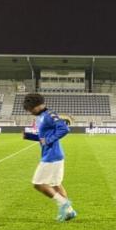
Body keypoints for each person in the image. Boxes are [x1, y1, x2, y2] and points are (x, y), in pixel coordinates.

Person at [22, 93, 76, 222]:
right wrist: (30, 136)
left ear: (36, 106)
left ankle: (64, 203)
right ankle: (69, 212)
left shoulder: (49, 115)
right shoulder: (41, 117)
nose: (30, 112)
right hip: (55, 154)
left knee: (38, 184)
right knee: (56, 184)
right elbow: (43, 138)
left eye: (30, 109)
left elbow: (64, 129)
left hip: (51, 156)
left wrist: (49, 140)